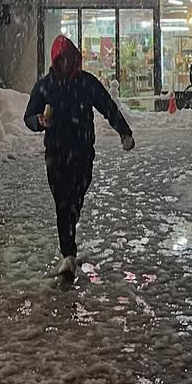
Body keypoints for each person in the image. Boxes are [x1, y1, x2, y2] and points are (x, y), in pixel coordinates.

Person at [24, 35, 135, 283]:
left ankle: (69, 239)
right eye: (60, 60)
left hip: (83, 153)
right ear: (55, 61)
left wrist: (124, 131)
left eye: (69, 59)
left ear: (75, 59)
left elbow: (108, 107)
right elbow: (29, 115)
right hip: (56, 154)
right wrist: (39, 122)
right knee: (63, 204)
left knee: (75, 201)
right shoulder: (46, 86)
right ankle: (68, 254)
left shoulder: (86, 83)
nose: (65, 64)